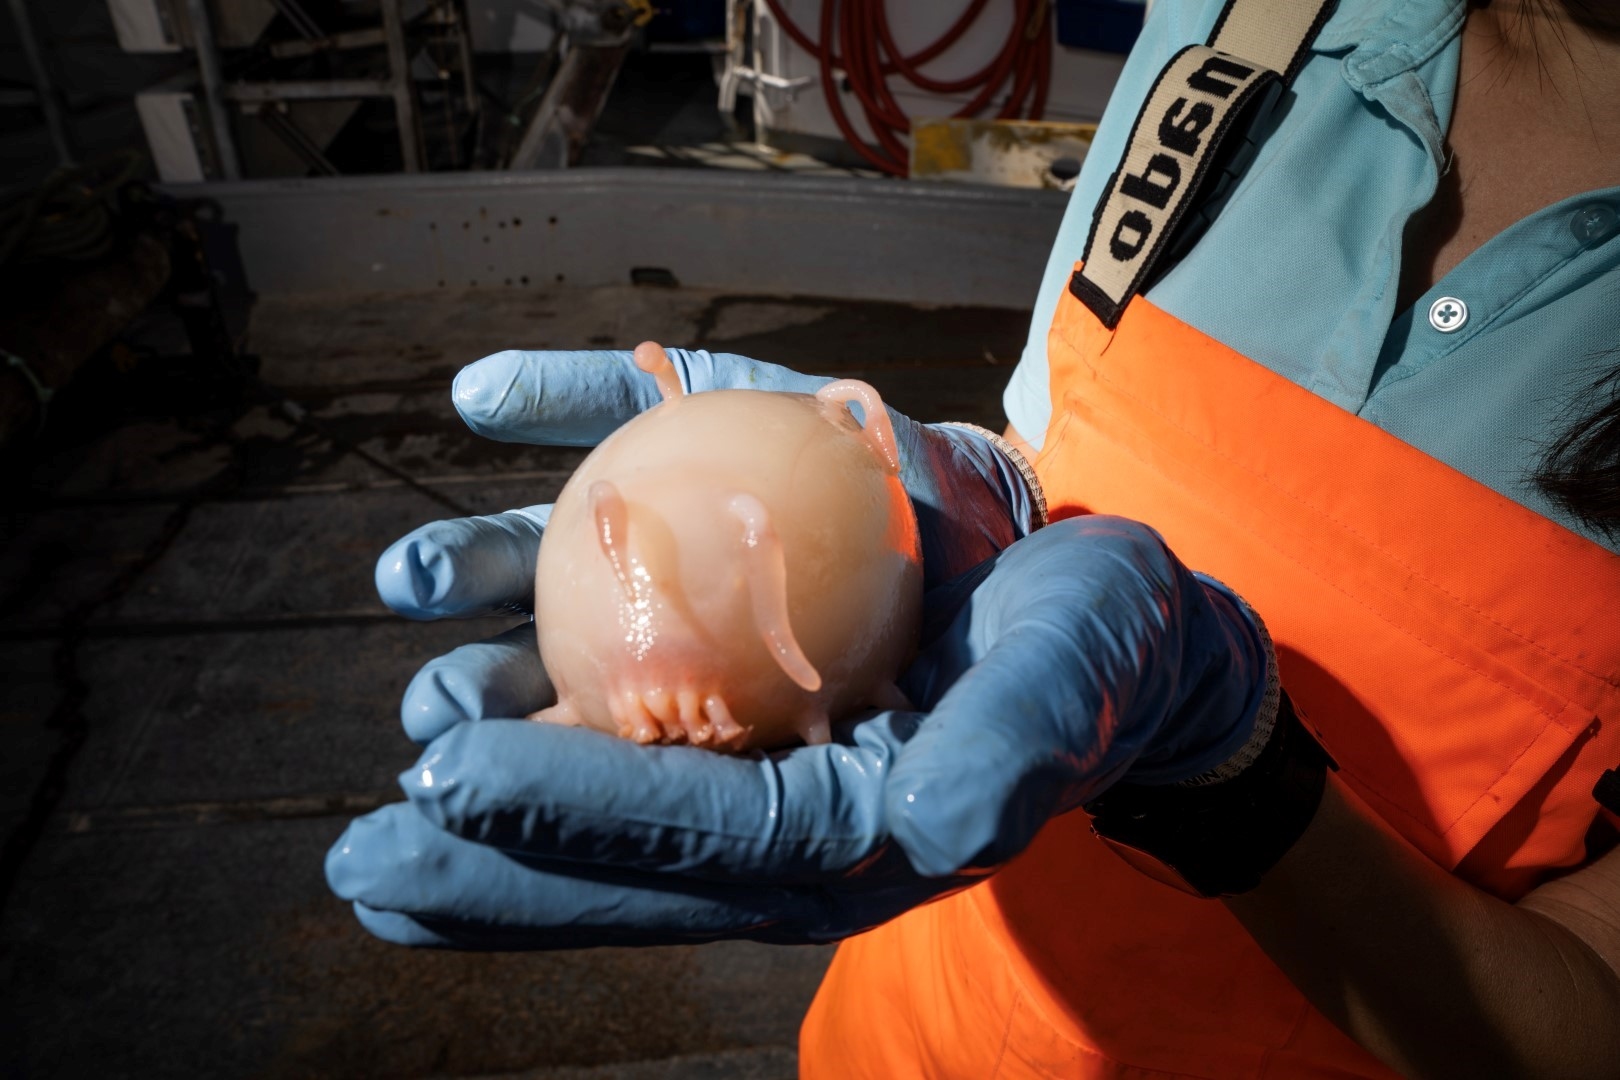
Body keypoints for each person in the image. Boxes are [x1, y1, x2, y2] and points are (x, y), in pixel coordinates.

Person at [326, 0, 1620, 1074]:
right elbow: (1062, 428)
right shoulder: (1255, 18)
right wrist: (992, 488)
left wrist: (1236, 776)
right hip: (906, 1034)